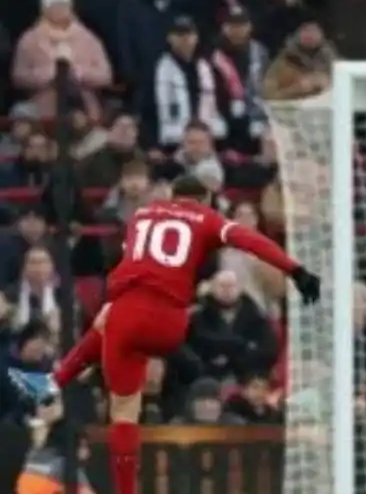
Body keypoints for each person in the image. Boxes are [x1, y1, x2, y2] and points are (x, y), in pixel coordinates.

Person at [10, 174, 320, 494]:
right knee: (115, 320)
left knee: (124, 410)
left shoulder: (143, 215)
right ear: (205, 201)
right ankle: (50, 383)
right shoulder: (207, 217)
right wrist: (295, 270)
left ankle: (57, 386)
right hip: (168, 320)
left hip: (128, 314)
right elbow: (253, 242)